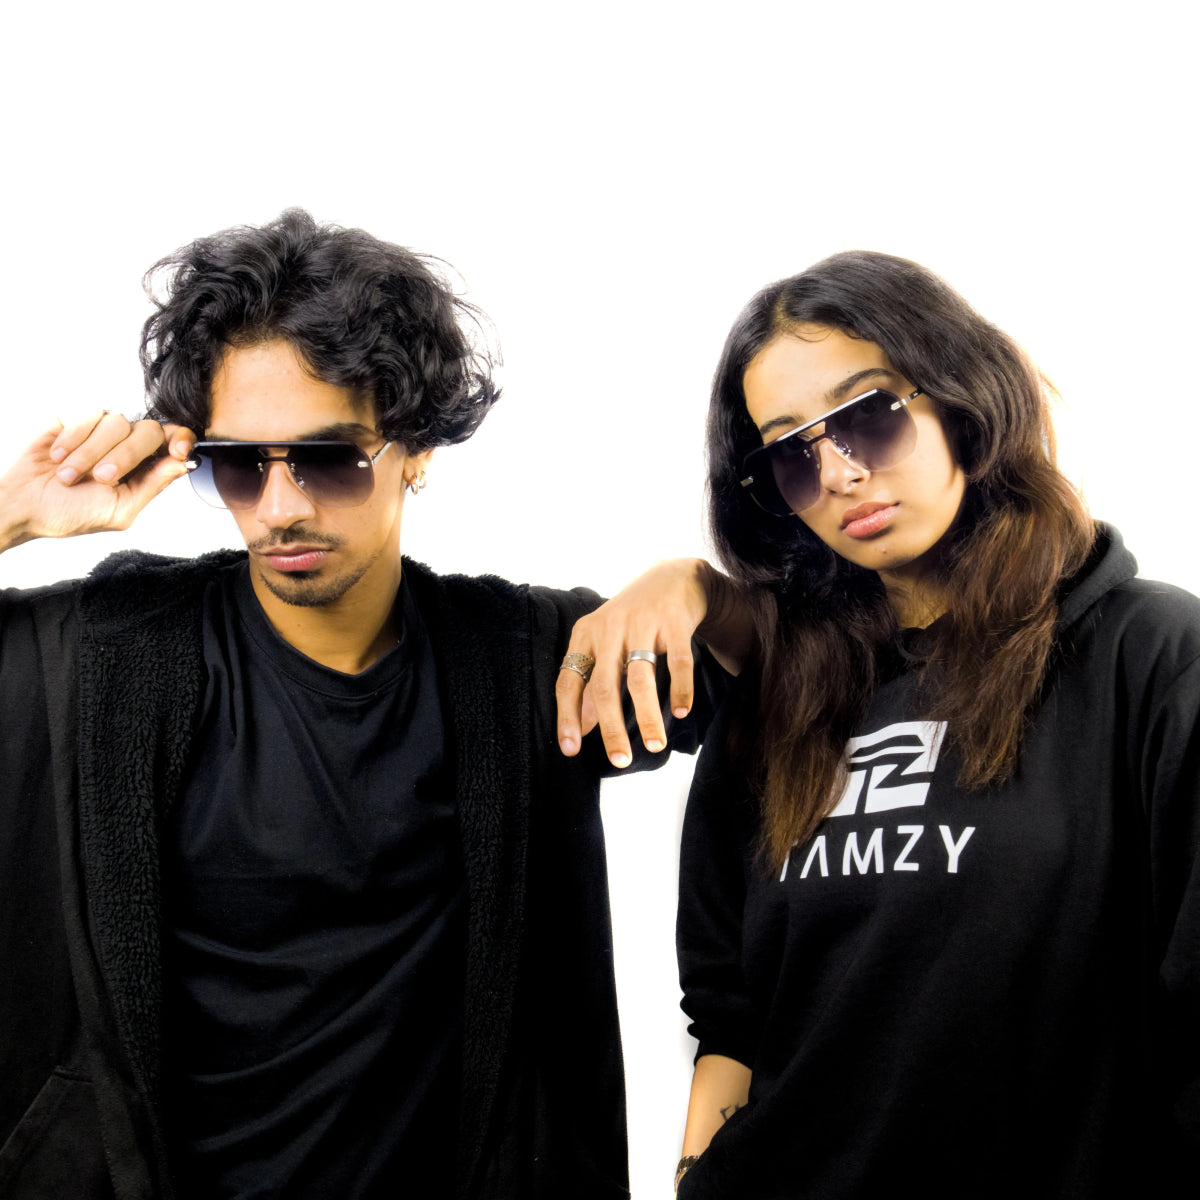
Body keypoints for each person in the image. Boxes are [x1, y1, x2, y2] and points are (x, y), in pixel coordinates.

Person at [0, 209, 742, 1200]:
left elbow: (821, 668)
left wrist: (701, 589)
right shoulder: (107, 658)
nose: (282, 508)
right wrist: (10, 516)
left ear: (416, 450)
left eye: (330, 459)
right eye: (240, 465)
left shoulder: (526, 665)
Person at [673, 251, 1200, 1198]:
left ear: (960, 396)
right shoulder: (778, 701)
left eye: (867, 414)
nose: (839, 473)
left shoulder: (1151, 657)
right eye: (791, 453)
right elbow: (731, 1020)